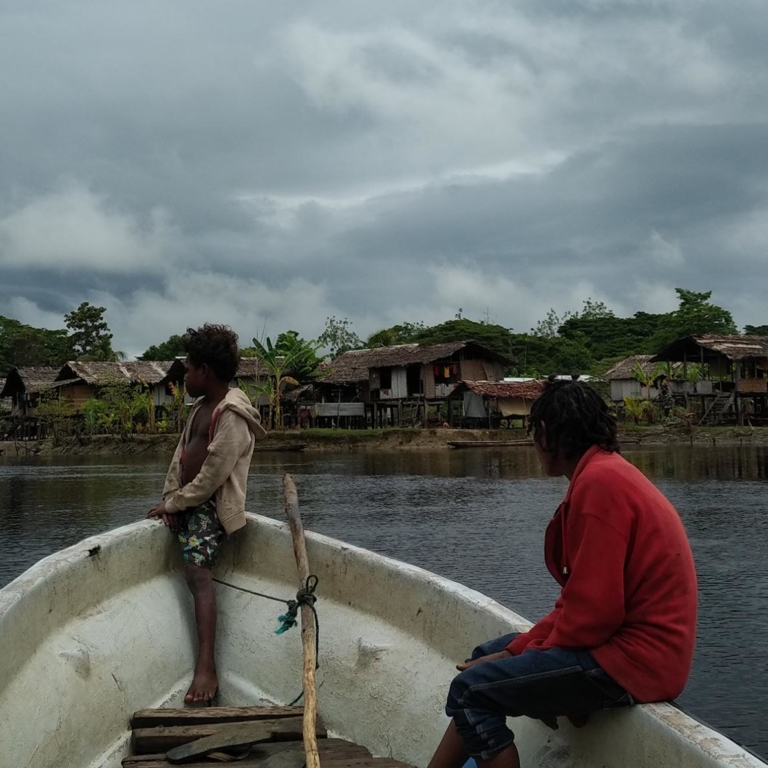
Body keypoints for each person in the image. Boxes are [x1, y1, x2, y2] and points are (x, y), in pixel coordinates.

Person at [427, 379, 697, 768]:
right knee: (485, 656)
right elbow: (582, 603)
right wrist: (515, 652)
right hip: (626, 650)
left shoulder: (599, 485)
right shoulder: (605, 472)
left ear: (546, 435)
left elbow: (594, 616)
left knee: (471, 692)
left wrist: (531, 658)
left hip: (635, 663)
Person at [147, 324, 266, 703]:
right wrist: (171, 499)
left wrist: (179, 503)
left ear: (206, 373)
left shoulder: (232, 415)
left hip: (214, 507)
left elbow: (213, 476)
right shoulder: (199, 408)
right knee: (170, 528)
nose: (184, 377)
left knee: (198, 573)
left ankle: (206, 666)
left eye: (189, 369)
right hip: (188, 501)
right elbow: (179, 459)